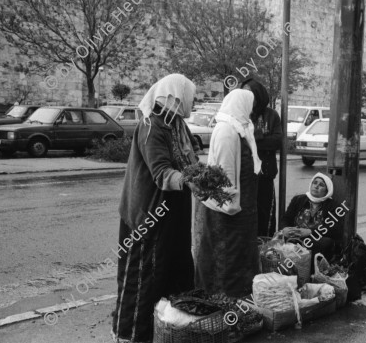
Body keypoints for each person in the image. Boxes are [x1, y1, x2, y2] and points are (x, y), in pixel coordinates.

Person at [112, 74, 198, 343]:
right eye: (190, 97)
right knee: (143, 280)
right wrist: (188, 179)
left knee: (175, 272)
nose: (192, 103)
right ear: (176, 96)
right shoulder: (152, 126)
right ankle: (131, 336)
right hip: (149, 217)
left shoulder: (177, 125)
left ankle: (170, 331)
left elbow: (188, 160)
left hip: (173, 215)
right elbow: (161, 172)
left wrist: (202, 177)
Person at [195, 89, 261, 298]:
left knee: (241, 256)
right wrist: (231, 207)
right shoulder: (227, 132)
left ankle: (240, 301)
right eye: (249, 106)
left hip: (243, 211)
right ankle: (222, 302)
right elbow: (225, 175)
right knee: (226, 258)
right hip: (228, 213)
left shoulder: (240, 128)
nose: (251, 111)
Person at [240, 77, 282, 237]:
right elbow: (239, 141)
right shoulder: (240, 113)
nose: (247, 97)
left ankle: (265, 251)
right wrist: (262, 138)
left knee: (265, 215)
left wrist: (253, 137)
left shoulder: (271, 115)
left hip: (265, 174)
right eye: (243, 93)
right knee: (245, 216)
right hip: (244, 175)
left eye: (250, 93)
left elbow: (277, 141)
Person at [280, 172, 344, 262]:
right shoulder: (298, 200)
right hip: (295, 236)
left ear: (327, 190)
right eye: (315, 183)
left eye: (321, 185)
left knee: (325, 242)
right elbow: (286, 218)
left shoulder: (333, 206)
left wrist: (309, 232)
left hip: (315, 239)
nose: (316, 186)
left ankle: (312, 270)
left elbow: (333, 229)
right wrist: (285, 229)